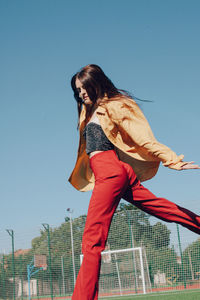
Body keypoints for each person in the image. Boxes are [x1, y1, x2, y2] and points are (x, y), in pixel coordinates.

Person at [68, 64, 200, 300]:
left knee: (91, 241)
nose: (81, 94)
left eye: (84, 88)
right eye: (77, 91)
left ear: (95, 82)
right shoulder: (87, 112)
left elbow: (143, 138)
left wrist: (173, 160)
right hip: (117, 172)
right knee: (161, 207)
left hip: (110, 172)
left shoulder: (114, 105)